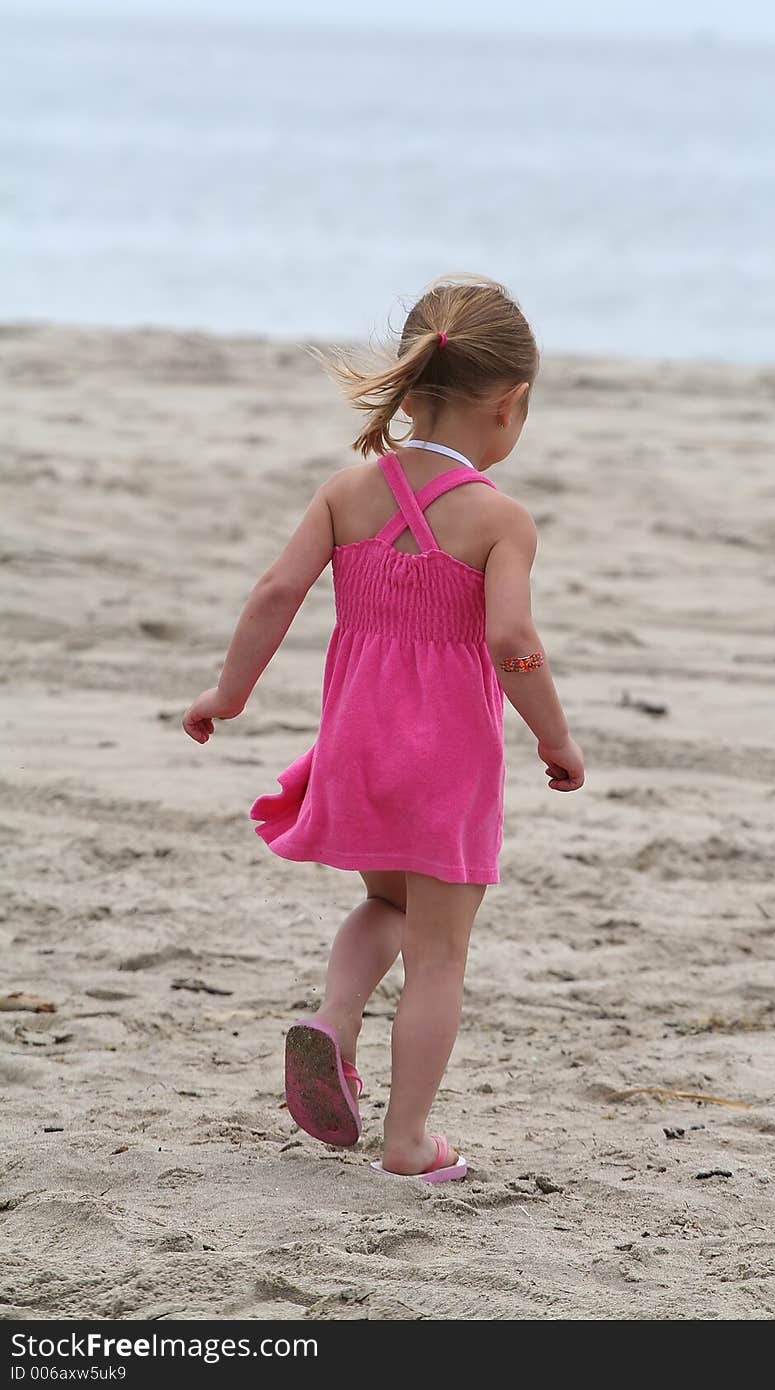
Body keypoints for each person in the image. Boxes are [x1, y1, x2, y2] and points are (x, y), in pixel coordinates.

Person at [182, 273, 585, 1183]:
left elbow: (275, 593)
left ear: (409, 384)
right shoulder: (499, 520)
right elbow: (514, 641)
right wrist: (553, 738)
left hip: (355, 749)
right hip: (446, 768)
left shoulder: (347, 492)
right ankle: (408, 1143)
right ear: (511, 404)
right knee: (440, 954)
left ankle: (333, 1016)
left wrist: (227, 696)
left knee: (387, 903)